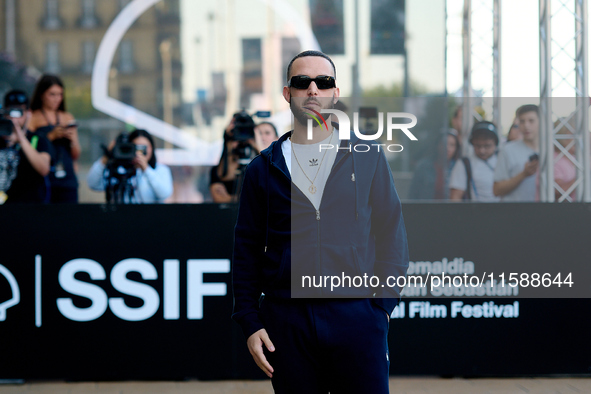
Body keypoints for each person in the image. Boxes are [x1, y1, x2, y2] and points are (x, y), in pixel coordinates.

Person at [232, 50, 409, 393]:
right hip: (288, 320)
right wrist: (250, 321)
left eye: (323, 82)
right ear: (288, 93)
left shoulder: (368, 157)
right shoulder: (262, 169)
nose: (313, 90)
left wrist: (381, 309)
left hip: (358, 317)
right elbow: (246, 249)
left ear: (335, 94)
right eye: (302, 82)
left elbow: (392, 233)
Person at [29, 74, 80, 203]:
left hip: (66, 177)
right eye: (52, 94)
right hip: (44, 177)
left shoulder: (67, 117)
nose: (57, 99)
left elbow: (75, 154)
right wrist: (50, 136)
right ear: (42, 94)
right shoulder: (33, 118)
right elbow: (30, 147)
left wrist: (73, 140)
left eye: (60, 94)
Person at [87, 129, 173, 203]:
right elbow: (93, 184)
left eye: (144, 147)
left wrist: (146, 169)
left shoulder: (160, 170)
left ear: (152, 148)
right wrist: (106, 157)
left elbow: (164, 194)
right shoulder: (119, 171)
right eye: (136, 148)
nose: (140, 152)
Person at [0, 90, 54, 204]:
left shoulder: (38, 139)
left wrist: (21, 139)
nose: (14, 118)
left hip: (28, 209)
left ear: (28, 113)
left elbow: (44, 169)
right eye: (10, 111)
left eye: (19, 112)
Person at [210, 114, 260, 203]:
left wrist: (258, 145)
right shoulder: (218, 170)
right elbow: (219, 198)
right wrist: (228, 139)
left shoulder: (261, 166)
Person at [493, 104, 539, 201]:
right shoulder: (508, 150)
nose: (526, 125)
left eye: (531, 121)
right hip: (514, 213)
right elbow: (496, 190)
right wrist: (523, 174)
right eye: (522, 121)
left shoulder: (552, 150)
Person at [449, 121, 500, 202]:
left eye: (487, 146)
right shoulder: (464, 164)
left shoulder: (502, 161)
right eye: (478, 146)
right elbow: (455, 196)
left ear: (495, 144)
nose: (482, 150)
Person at [408, 129, 461, 200]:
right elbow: (413, 194)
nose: (448, 148)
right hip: (426, 209)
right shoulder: (424, 167)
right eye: (444, 144)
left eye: (452, 145)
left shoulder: (459, 168)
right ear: (438, 145)